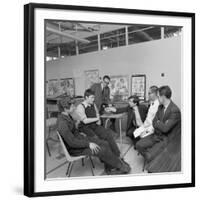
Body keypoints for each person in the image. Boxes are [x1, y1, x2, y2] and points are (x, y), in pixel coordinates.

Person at [56, 96, 131, 175]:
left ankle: (111, 165)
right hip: (75, 148)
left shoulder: (67, 116)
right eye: (72, 106)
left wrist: (80, 134)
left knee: (105, 143)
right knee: (102, 149)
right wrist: (88, 144)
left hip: (80, 140)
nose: (74, 107)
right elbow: (72, 142)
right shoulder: (62, 123)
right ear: (65, 108)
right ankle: (120, 167)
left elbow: (73, 132)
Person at [136, 86, 181, 163]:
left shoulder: (174, 110)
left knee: (151, 155)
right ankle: (152, 158)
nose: (157, 98)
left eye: (158, 96)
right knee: (138, 145)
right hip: (156, 135)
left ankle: (154, 160)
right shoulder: (160, 107)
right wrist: (160, 123)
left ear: (163, 97)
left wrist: (158, 122)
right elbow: (154, 122)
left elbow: (165, 129)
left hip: (165, 138)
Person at [76, 89, 125, 160]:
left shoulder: (93, 104)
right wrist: (97, 119)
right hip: (85, 127)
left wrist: (98, 118)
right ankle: (106, 158)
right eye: (92, 97)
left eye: (94, 97)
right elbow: (85, 121)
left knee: (108, 135)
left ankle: (117, 155)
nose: (93, 99)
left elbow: (97, 113)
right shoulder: (80, 107)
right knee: (98, 140)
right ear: (86, 97)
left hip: (94, 125)